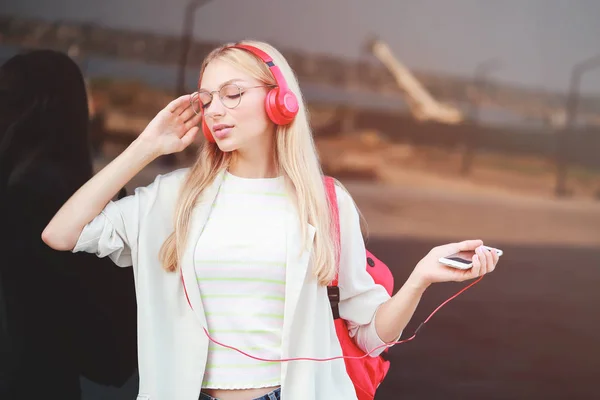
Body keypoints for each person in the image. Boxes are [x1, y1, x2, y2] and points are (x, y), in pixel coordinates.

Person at [42, 40, 500, 400]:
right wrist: (145, 146)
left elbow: (371, 335)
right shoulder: (173, 197)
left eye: (232, 94)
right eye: (207, 99)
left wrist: (419, 279)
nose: (215, 109)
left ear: (280, 101)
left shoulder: (323, 201)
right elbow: (62, 233)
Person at [0, 49, 137, 399]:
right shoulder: (96, 211)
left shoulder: (27, 207)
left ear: (28, 113)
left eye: (5, 98)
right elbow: (113, 362)